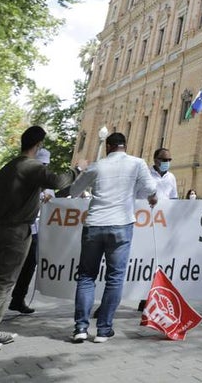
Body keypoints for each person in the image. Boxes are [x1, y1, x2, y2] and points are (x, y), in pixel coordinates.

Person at [0, 125, 80, 356]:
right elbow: (58, 181)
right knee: (3, 283)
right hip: (16, 231)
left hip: (2, 228)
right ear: (38, 145)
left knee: (3, 281)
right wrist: (76, 171)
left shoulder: (9, 167)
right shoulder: (30, 166)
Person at [68, 131, 158, 343]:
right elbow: (150, 188)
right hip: (121, 224)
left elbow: (74, 190)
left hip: (95, 224)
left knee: (86, 276)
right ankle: (103, 329)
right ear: (125, 146)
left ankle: (80, 327)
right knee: (115, 277)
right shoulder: (137, 163)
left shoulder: (97, 166)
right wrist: (151, 196)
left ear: (108, 146)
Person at [8, 147, 55, 315]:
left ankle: (18, 298)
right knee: (9, 268)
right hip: (17, 228)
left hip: (35, 232)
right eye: (40, 164)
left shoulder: (48, 188)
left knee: (29, 267)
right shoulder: (22, 179)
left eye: (45, 165)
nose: (43, 168)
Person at [137, 146, 178, 311]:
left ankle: (148, 297)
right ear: (155, 160)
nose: (167, 163)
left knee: (157, 263)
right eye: (164, 159)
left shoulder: (171, 177)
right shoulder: (144, 174)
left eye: (169, 160)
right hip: (143, 225)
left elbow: (174, 199)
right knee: (140, 261)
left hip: (162, 226)